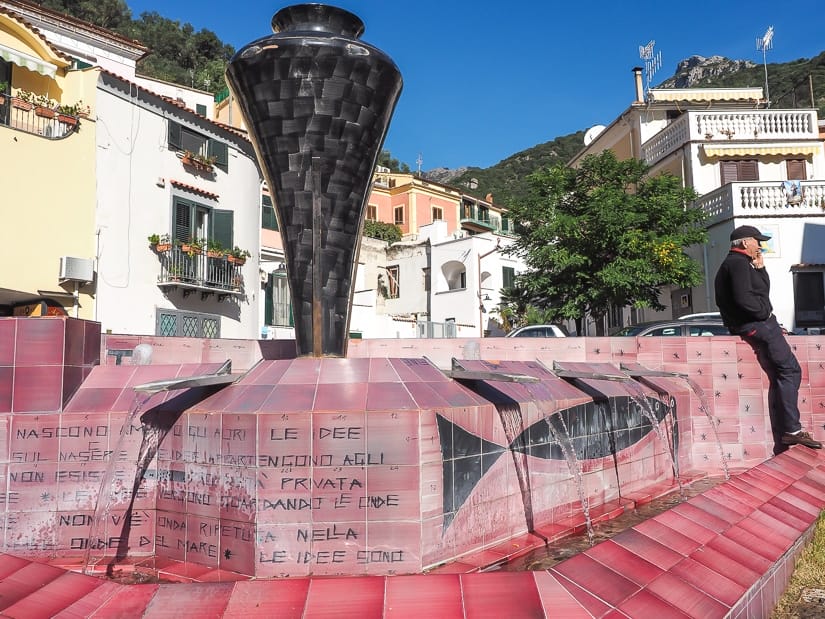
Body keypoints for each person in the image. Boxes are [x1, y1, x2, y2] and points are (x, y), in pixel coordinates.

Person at [714, 224, 822, 453]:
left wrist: (761, 269)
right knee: (790, 370)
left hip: (757, 324)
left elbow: (761, 292)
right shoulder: (737, 264)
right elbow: (744, 299)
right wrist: (764, 315)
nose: (760, 246)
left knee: (784, 372)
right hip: (757, 325)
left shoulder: (742, 264)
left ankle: (790, 429)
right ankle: (792, 430)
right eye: (757, 241)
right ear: (745, 242)